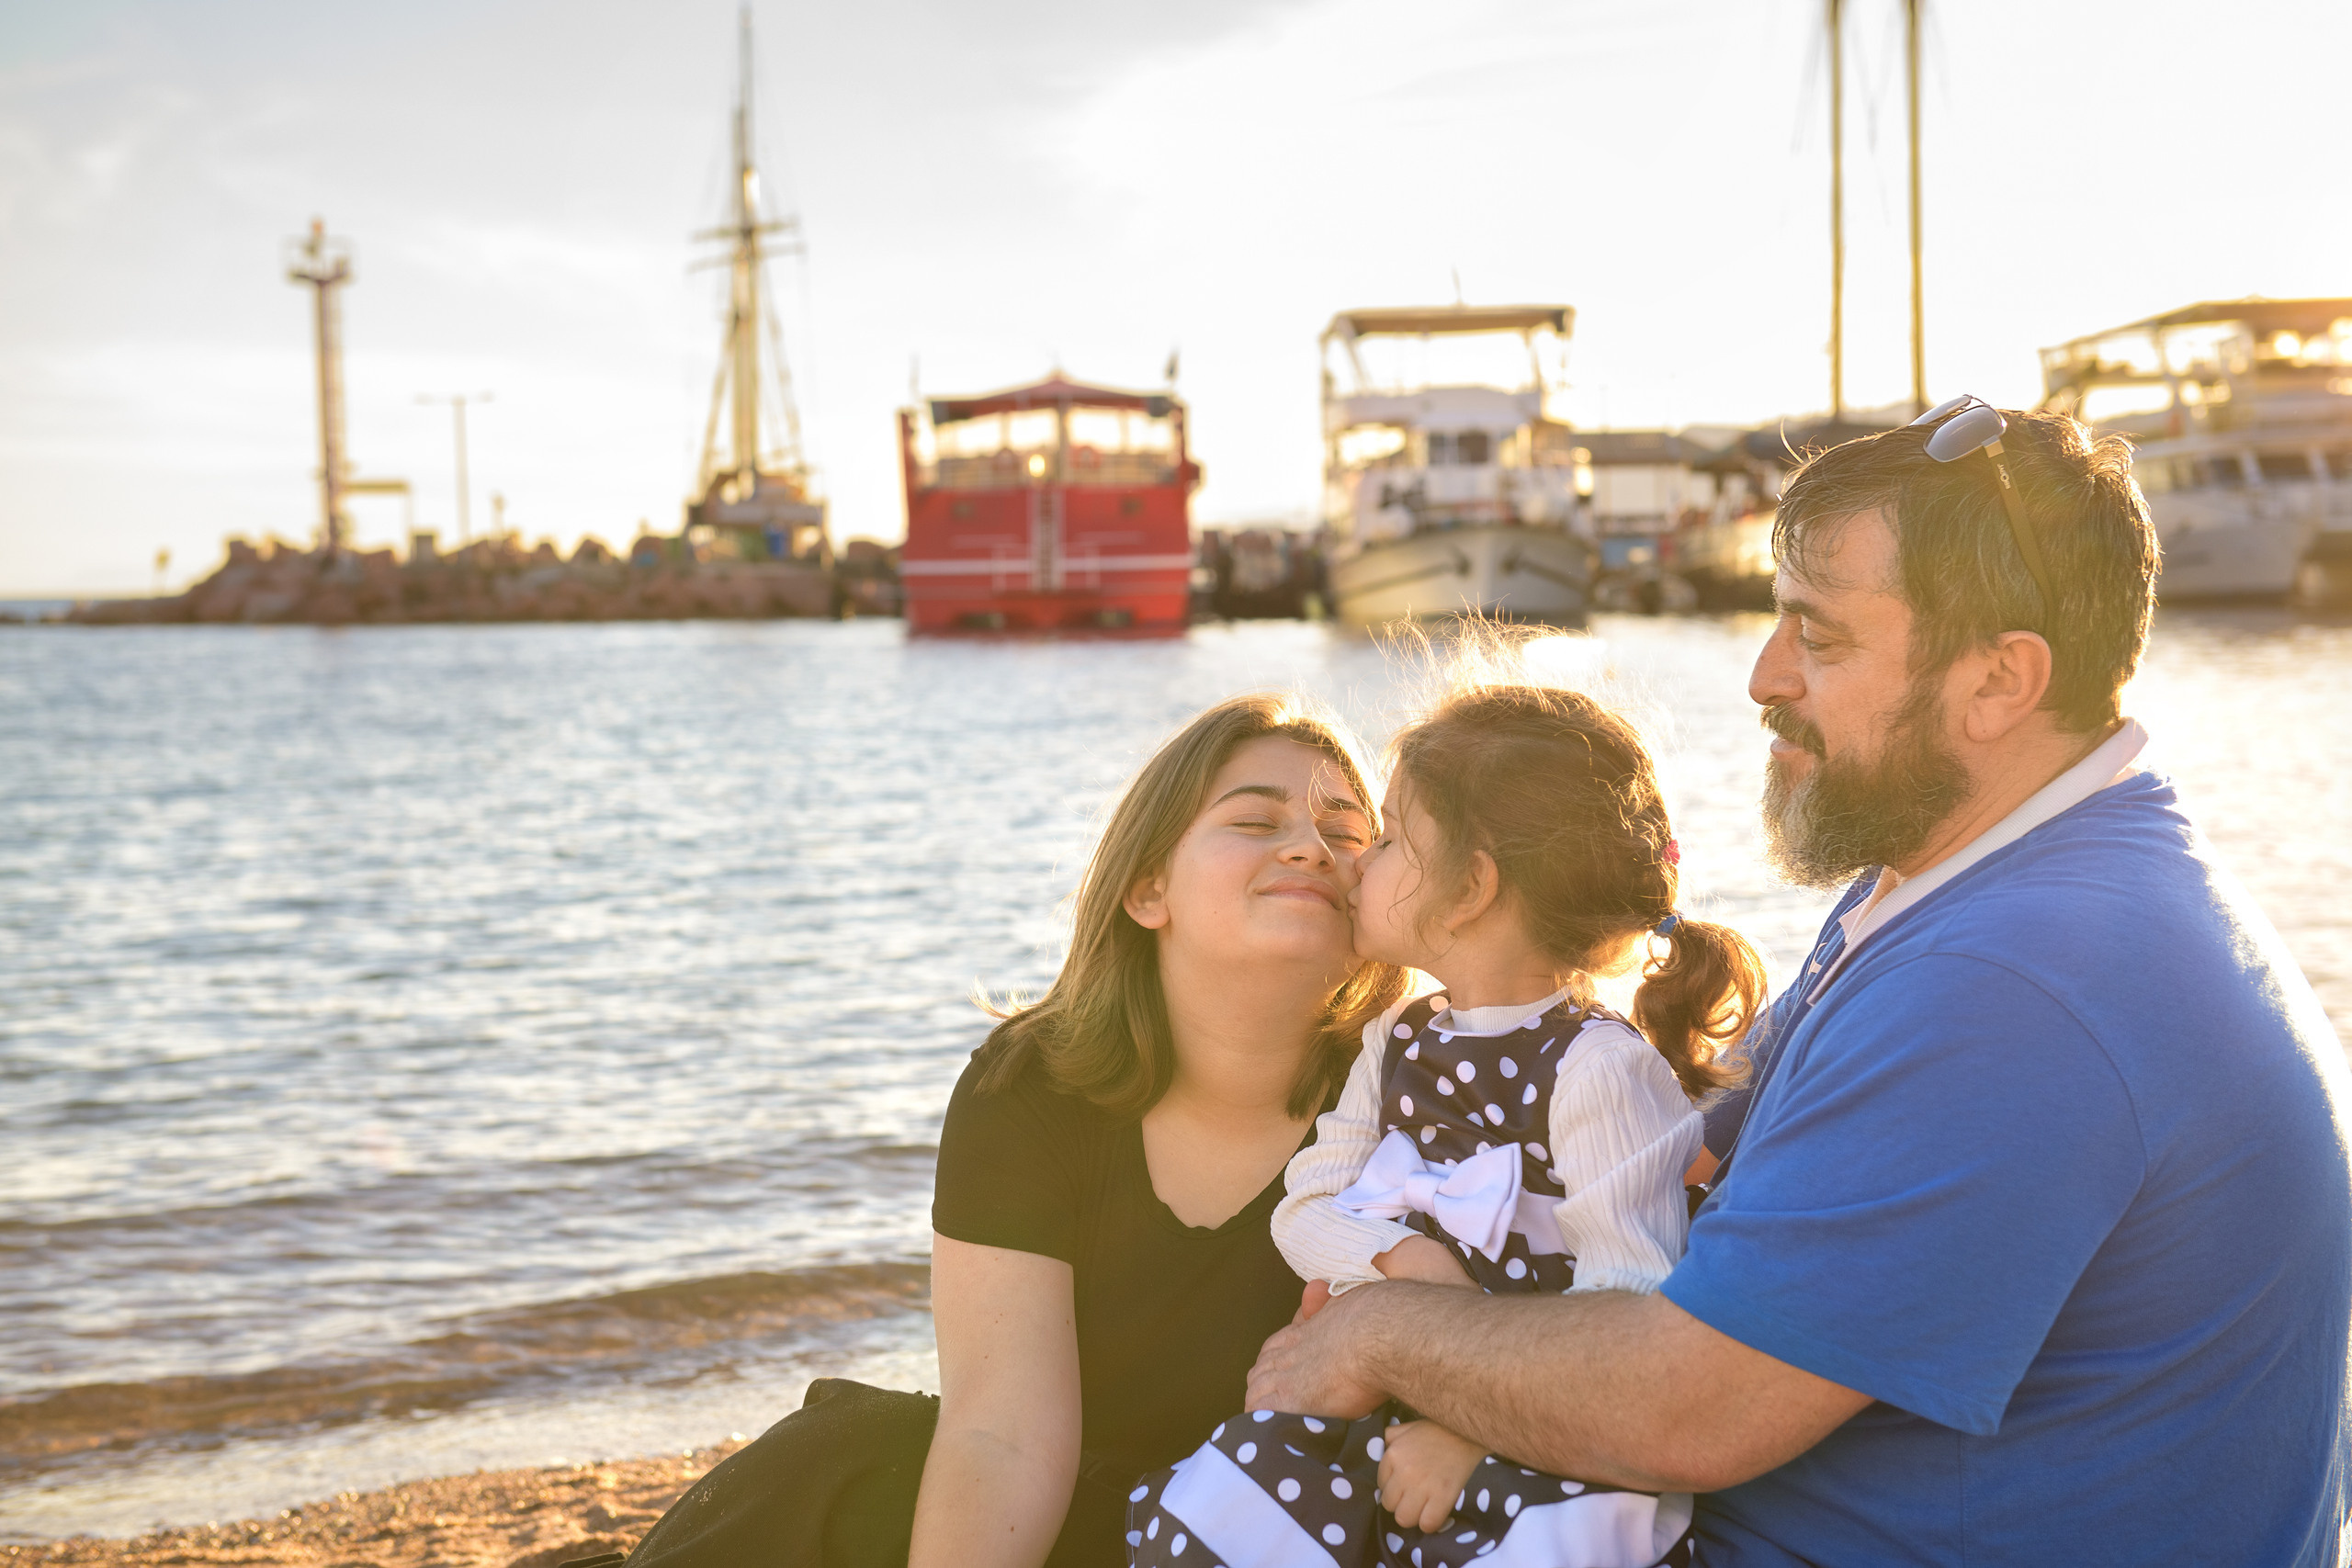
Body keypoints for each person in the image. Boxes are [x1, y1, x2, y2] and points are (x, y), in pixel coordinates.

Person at [1242, 404, 2352, 1564]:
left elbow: (1686, 1409)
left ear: (1996, 683)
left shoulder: (2016, 984)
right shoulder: (1969, 878)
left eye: (1817, 639)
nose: (1765, 677)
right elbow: (1737, 1140)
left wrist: (1382, 1336)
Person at [625, 693, 1407, 1568]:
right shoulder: (1032, 1085)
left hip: (1281, 1531)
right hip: (1062, 1518)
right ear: (1149, 887)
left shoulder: (1424, 1095)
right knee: (845, 1457)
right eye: (1256, 819)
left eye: (1348, 833)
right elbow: (1003, 1433)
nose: (1308, 844)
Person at [1129, 682, 1766, 1568]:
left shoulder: (1597, 1069)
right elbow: (1305, 1210)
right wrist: (1400, 1264)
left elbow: (1627, 1312)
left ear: (1470, 888)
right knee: (1216, 1520)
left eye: (1387, 839)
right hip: (1390, 1403)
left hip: (1544, 1449)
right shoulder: (1400, 1037)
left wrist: (1469, 1432)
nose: (1354, 863)